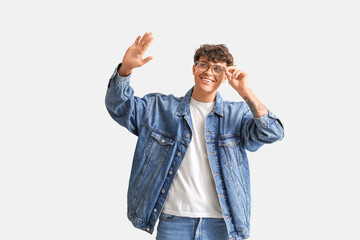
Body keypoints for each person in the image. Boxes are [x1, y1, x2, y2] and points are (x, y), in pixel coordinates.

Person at [105, 32, 284, 240]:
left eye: (218, 68)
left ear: (225, 76)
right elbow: (118, 107)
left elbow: (273, 132)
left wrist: (245, 91)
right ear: (194, 68)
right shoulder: (159, 108)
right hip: (174, 222)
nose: (209, 72)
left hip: (220, 224)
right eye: (204, 65)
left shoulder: (237, 115)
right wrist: (125, 70)